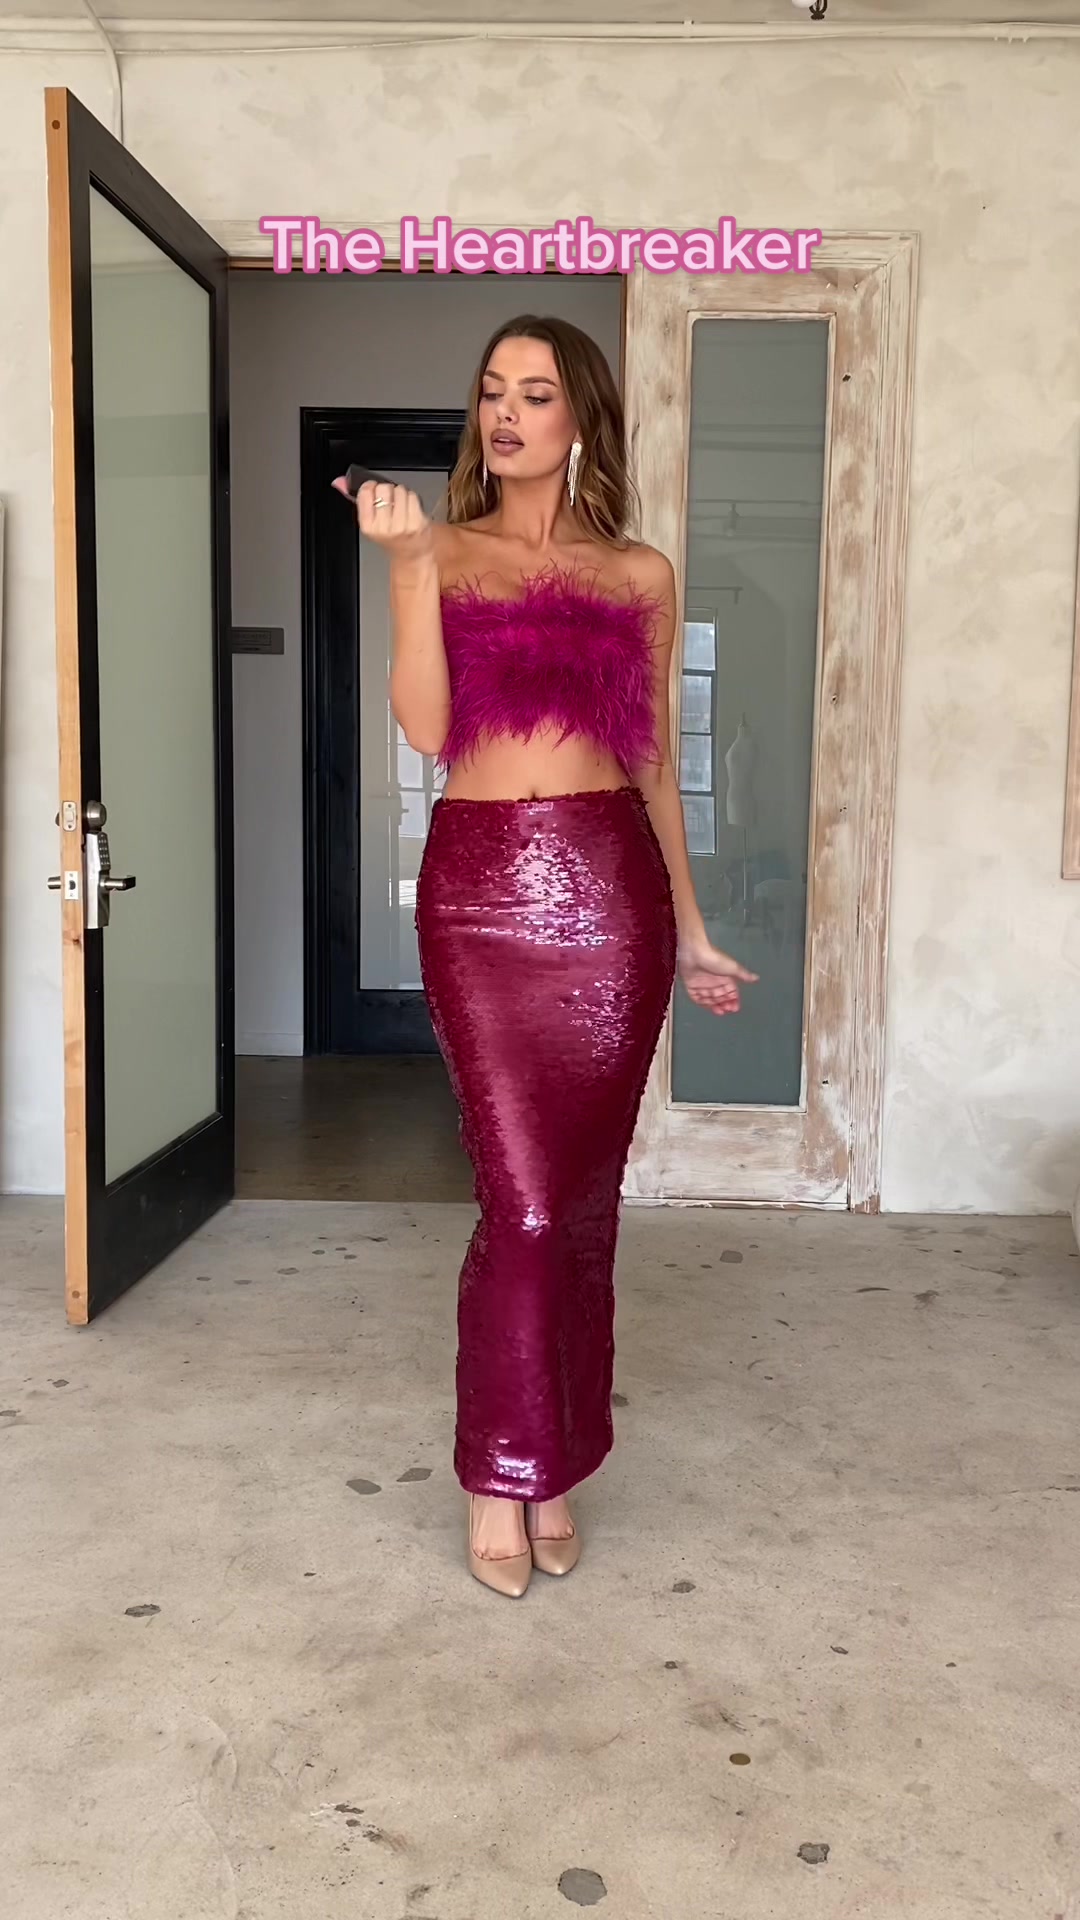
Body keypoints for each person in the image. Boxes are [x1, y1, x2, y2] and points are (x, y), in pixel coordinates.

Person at [334, 314, 757, 1599]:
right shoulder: (444, 549)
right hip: (479, 895)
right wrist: (409, 566)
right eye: (491, 393)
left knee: (579, 1201)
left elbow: (654, 766)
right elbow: (425, 729)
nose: (507, 414)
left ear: (582, 421)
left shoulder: (639, 574)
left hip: (609, 895)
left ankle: (556, 1461)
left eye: (535, 393)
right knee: (518, 1201)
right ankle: (499, 1466)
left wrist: (691, 928)